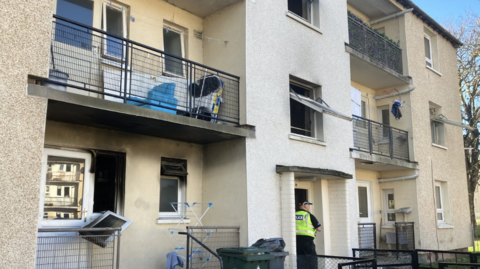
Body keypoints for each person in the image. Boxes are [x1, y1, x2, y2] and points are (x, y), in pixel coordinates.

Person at [296, 201, 322, 269]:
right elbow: (319, 229)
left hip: (296, 242)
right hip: (307, 242)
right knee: (312, 260)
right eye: (308, 205)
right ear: (305, 206)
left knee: (299, 260)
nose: (309, 207)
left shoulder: (293, 215)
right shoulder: (309, 215)